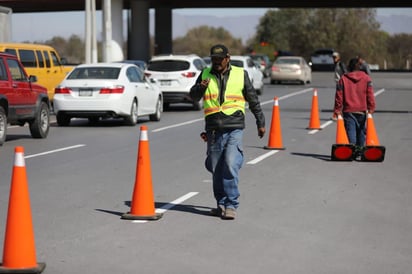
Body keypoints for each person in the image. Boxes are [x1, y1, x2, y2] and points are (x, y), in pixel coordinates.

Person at [190, 44, 266, 220]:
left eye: (219, 59)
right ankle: (221, 204)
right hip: (214, 129)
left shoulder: (240, 74)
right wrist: (200, 88)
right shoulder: (205, 74)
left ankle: (231, 204)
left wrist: (260, 122)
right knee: (216, 168)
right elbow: (193, 96)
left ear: (227, 58)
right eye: (213, 59)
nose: (216, 62)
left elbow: (253, 99)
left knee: (231, 163)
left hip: (234, 126)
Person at [333, 58, 376, 159]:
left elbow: (339, 95)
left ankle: (351, 151)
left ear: (349, 67)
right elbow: (370, 94)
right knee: (361, 131)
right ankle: (360, 151)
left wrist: (337, 109)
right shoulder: (366, 78)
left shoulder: (343, 79)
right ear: (359, 67)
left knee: (350, 131)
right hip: (362, 110)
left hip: (348, 110)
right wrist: (371, 107)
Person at [331, 52, 347, 120]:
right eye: (333, 57)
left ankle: (337, 114)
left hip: (341, 83)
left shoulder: (341, 64)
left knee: (339, 99)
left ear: (339, 57)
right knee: (339, 99)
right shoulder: (336, 64)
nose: (334, 59)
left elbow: (345, 73)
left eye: (335, 57)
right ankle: (338, 114)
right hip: (338, 83)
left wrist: (343, 81)